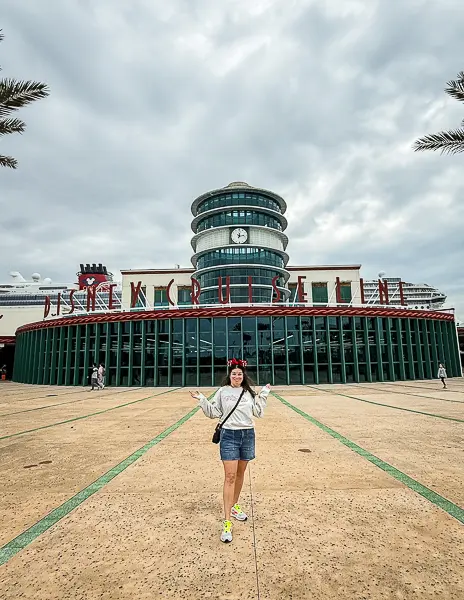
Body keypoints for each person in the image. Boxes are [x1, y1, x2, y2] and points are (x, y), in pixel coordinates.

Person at [190, 358, 271, 544]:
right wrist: (202, 399)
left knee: (241, 473)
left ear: (244, 376)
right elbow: (213, 412)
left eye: (239, 374)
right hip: (229, 436)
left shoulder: (248, 392)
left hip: (247, 435)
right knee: (230, 476)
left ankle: (234, 506)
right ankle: (227, 522)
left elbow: (258, 412)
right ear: (230, 375)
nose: (236, 376)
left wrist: (264, 394)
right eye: (234, 374)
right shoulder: (222, 391)